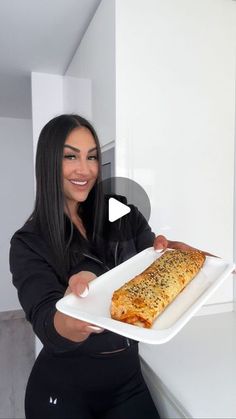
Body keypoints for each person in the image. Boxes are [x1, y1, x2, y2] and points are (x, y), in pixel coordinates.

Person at [10, 114, 201, 419]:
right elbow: (47, 323)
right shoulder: (29, 242)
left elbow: (150, 265)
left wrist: (171, 258)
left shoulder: (120, 210)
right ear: (48, 162)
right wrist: (79, 309)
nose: (84, 170)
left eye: (92, 157)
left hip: (127, 382)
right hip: (62, 394)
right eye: (70, 156)